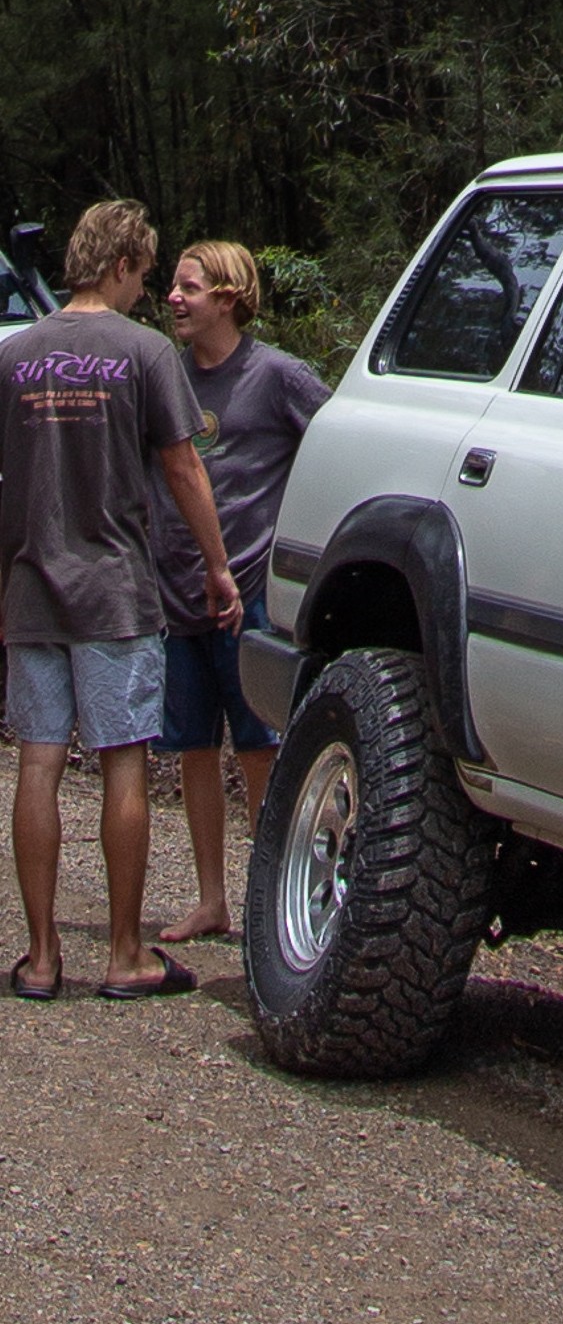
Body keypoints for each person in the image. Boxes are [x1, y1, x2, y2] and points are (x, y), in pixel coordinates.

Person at [0, 197, 241, 1000]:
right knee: (122, 764)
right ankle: (126, 954)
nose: (149, 292)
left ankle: (38, 959)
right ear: (122, 264)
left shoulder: (15, 354)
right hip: (113, 590)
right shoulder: (142, 353)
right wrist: (218, 565)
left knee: (37, 761)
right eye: (145, 273)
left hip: (31, 586)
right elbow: (182, 467)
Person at [151, 241, 329, 942]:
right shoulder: (168, 380)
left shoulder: (278, 375)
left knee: (259, 746)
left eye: (187, 287)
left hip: (252, 592)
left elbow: (338, 445)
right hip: (177, 591)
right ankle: (210, 898)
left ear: (227, 296)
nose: (173, 299)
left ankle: (264, 896)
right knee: (194, 746)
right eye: (171, 286)